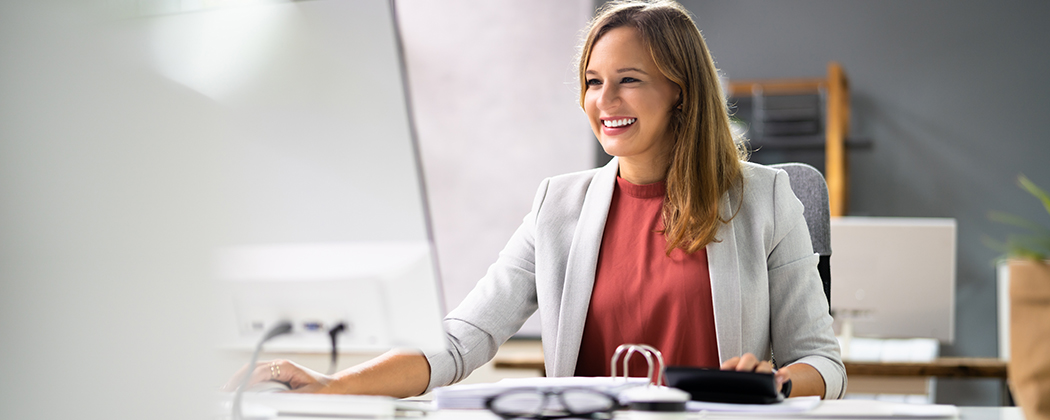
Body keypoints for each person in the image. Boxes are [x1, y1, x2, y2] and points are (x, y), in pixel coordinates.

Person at [225, 0, 845, 400]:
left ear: (680, 92)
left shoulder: (765, 200)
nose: (605, 102)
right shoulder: (560, 206)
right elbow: (459, 341)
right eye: (593, 82)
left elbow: (822, 361)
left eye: (629, 80)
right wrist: (330, 387)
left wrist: (780, 383)